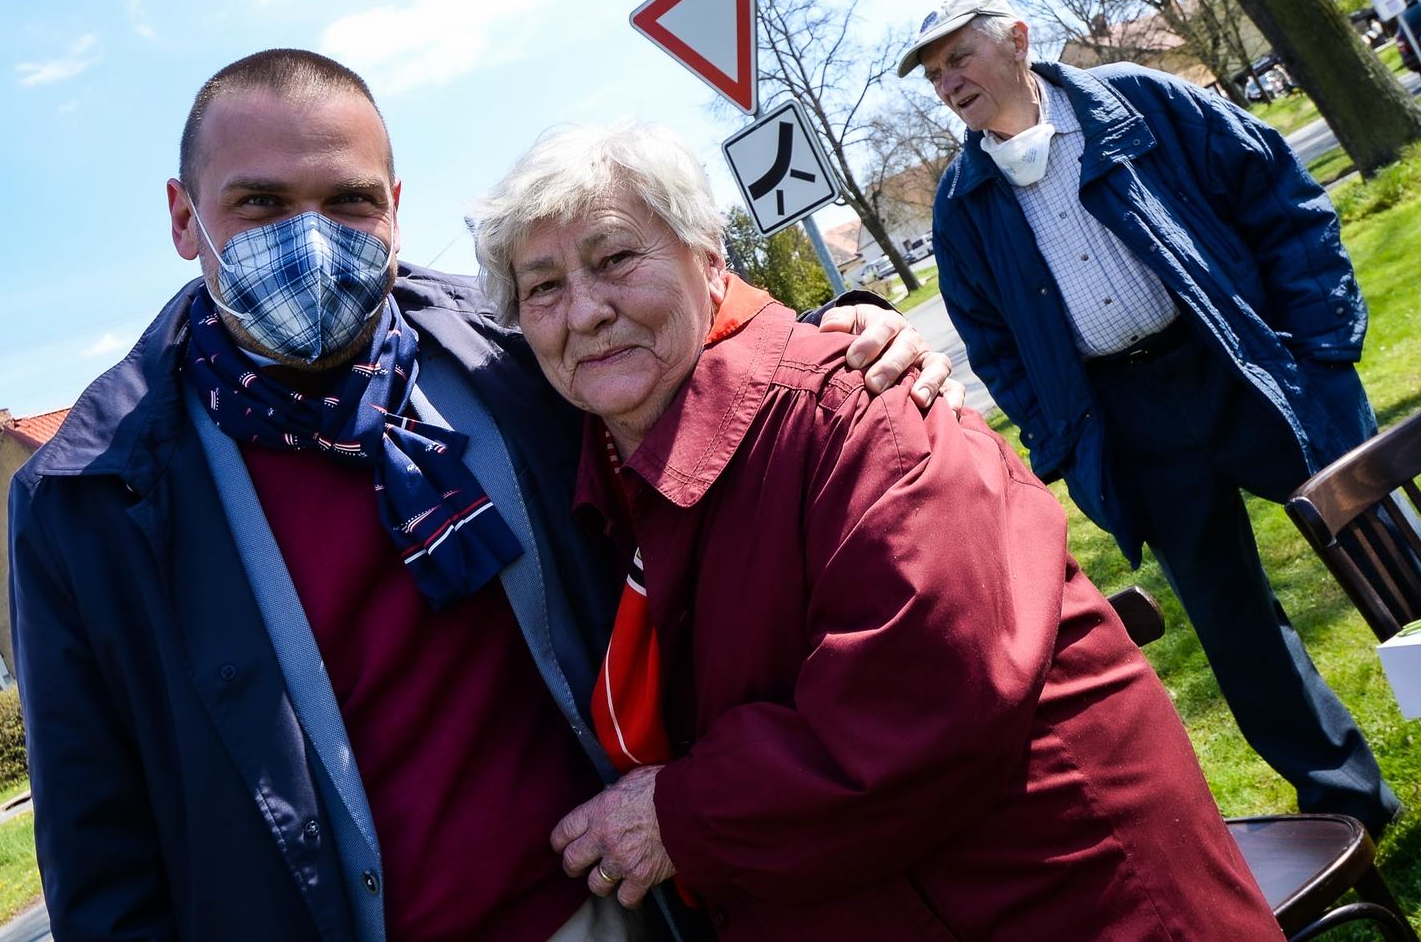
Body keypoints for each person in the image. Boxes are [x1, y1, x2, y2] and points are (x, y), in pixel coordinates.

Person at [7, 48, 954, 942]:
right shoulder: (88, 494)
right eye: (260, 204)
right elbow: (102, 851)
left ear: (395, 210)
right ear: (184, 218)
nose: (311, 239)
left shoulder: (508, 344)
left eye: (348, 202)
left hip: (620, 906)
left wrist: (846, 338)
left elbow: (688, 350)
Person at [469, 121, 1283, 940]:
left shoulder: (861, 412)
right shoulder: (608, 474)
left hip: (1054, 904)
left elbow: (928, 695)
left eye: (616, 259)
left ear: (709, 259)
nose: (584, 311)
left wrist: (677, 816)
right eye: (543, 289)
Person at [897, 0, 1399, 836]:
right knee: (1233, 623)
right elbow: (993, 344)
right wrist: (1065, 437)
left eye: (959, 58)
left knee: (1380, 538)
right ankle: (1348, 803)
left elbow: (1280, 198)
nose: (948, 83)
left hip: (1242, 362)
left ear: (1017, 39)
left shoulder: (1137, 100)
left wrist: (1320, 345)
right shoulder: (962, 206)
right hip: (1132, 422)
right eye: (935, 74)